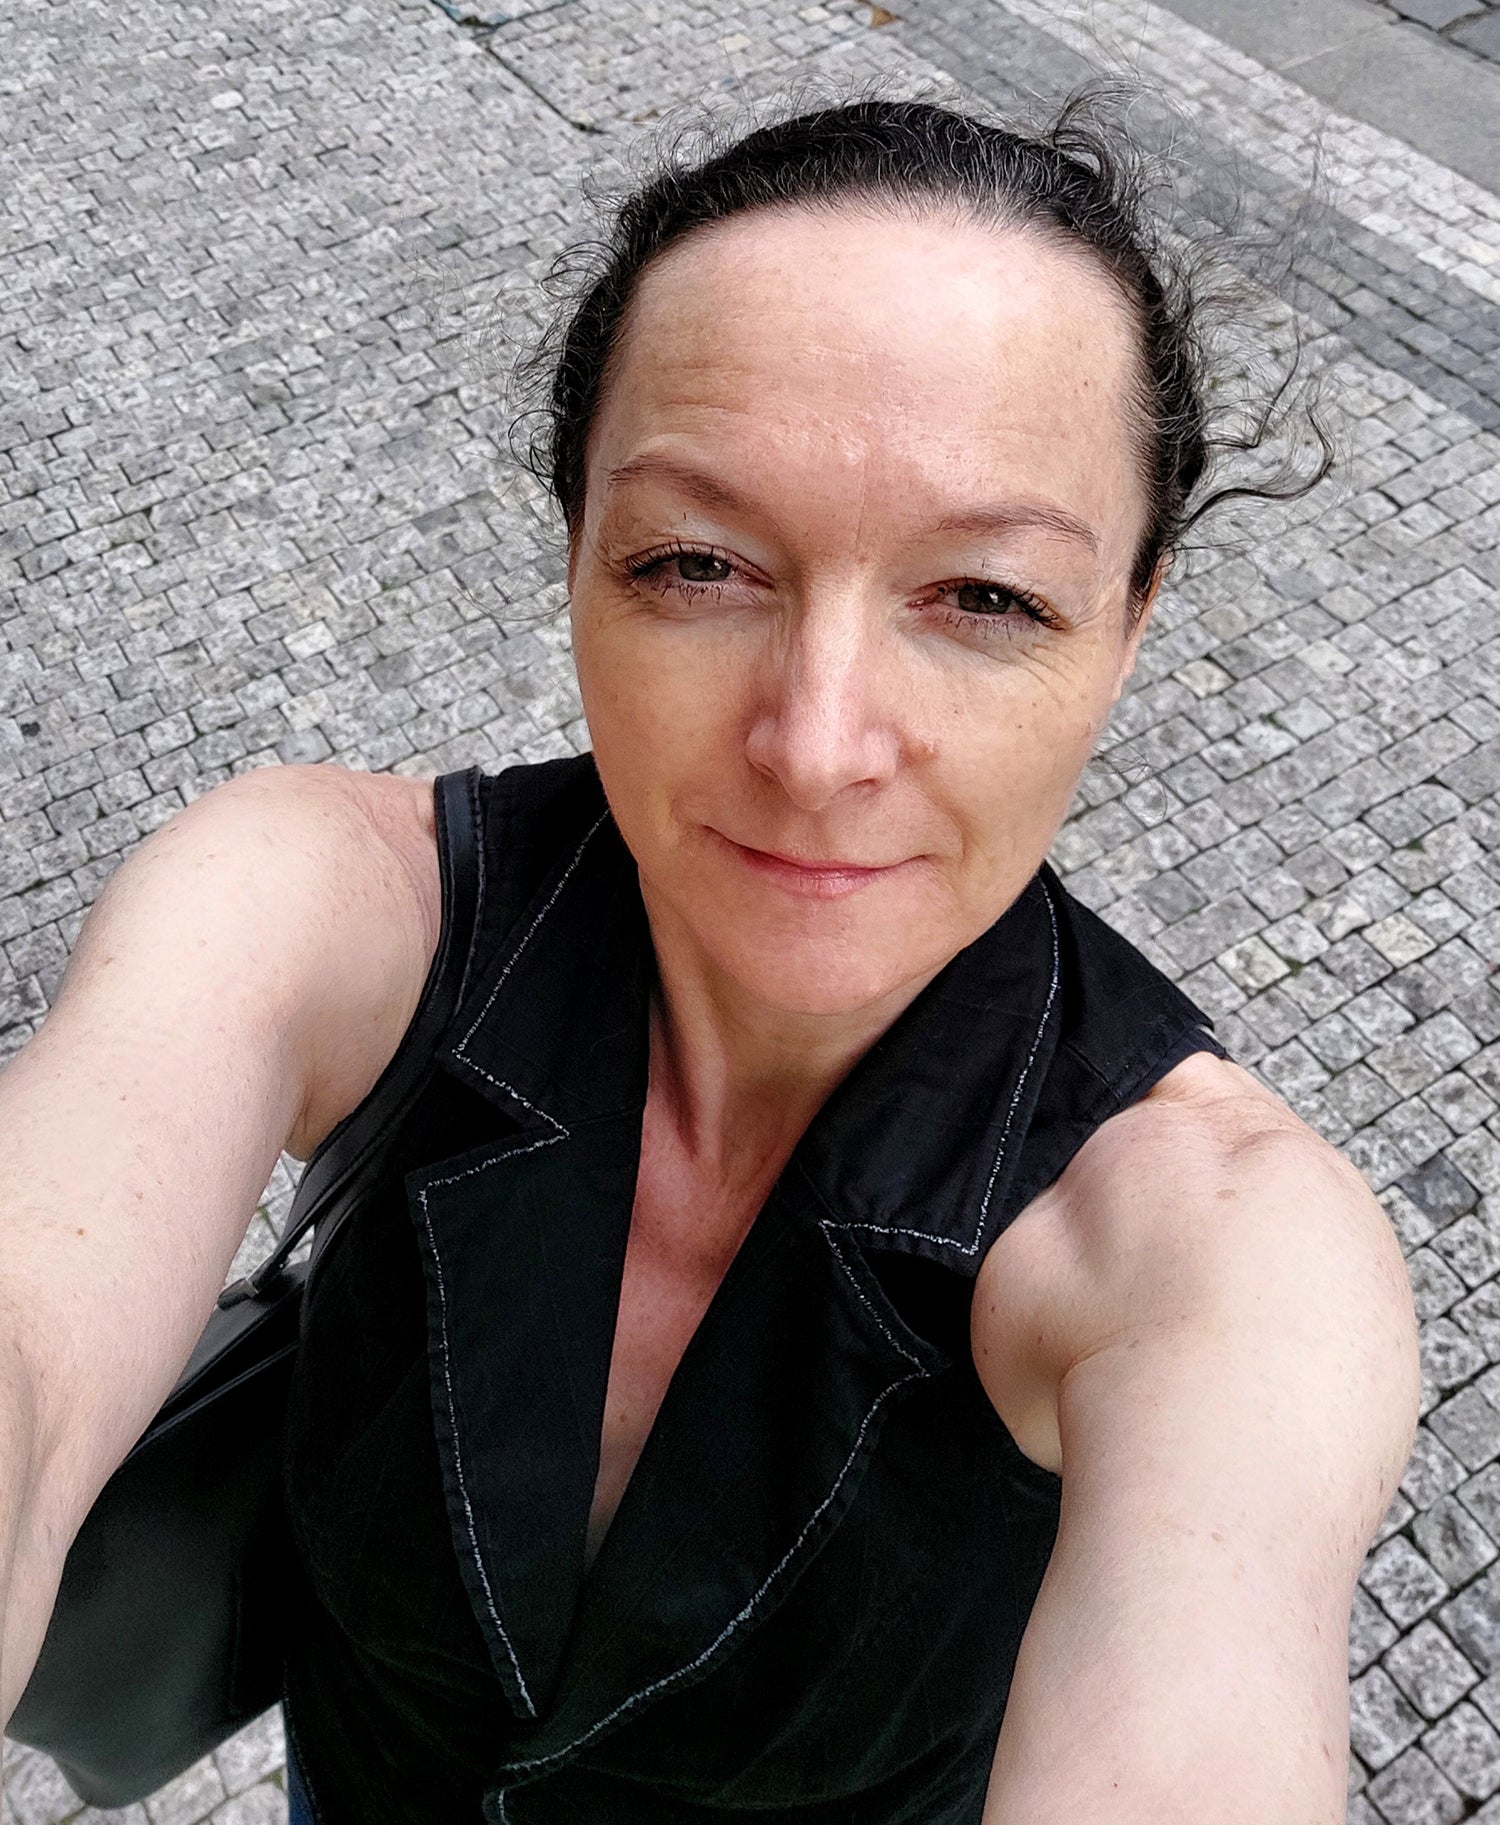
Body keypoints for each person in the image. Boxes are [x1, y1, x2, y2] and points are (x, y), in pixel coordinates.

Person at [0, 92, 1420, 1825]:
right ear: (576, 556)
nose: (817, 747)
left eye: (986, 598)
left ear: (1131, 620)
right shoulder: (324, 901)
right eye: (695, 563)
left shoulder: (1220, 1246)